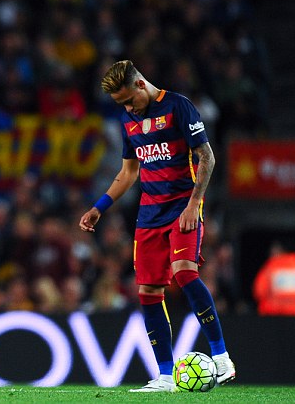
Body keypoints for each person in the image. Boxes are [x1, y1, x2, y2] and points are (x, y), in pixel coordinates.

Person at [79, 60, 236, 392]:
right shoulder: (129, 120)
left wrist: (195, 203)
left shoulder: (179, 106)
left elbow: (207, 156)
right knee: (148, 291)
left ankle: (221, 357)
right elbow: (128, 173)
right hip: (149, 214)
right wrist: (99, 208)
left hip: (183, 206)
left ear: (140, 85)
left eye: (127, 100)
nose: (126, 108)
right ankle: (165, 375)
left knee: (184, 272)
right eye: (120, 104)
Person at [253, 241, 295, 316]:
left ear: (280, 250)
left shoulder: (271, 266)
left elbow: (259, 291)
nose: (270, 253)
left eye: (273, 250)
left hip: (272, 314)